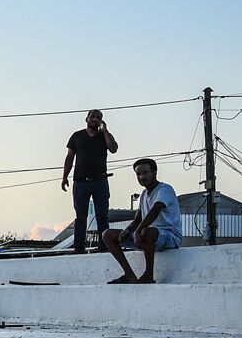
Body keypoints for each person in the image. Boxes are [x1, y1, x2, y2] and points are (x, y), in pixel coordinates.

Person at [101, 158, 182, 284]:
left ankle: (148, 275)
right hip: (146, 237)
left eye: (145, 173)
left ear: (154, 172)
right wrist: (128, 231)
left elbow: (155, 210)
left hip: (170, 237)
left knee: (146, 231)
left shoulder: (165, 189)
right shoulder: (144, 194)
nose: (141, 177)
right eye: (138, 174)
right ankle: (129, 275)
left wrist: (138, 232)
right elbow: (138, 219)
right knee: (108, 234)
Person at [61, 109, 118, 253]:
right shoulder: (77, 136)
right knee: (80, 217)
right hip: (80, 182)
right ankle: (78, 249)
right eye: (92, 116)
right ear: (86, 119)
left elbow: (113, 149)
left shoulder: (104, 136)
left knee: (102, 216)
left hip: (100, 181)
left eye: (98, 117)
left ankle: (104, 248)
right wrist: (64, 176)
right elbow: (69, 157)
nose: (95, 119)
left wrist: (105, 131)